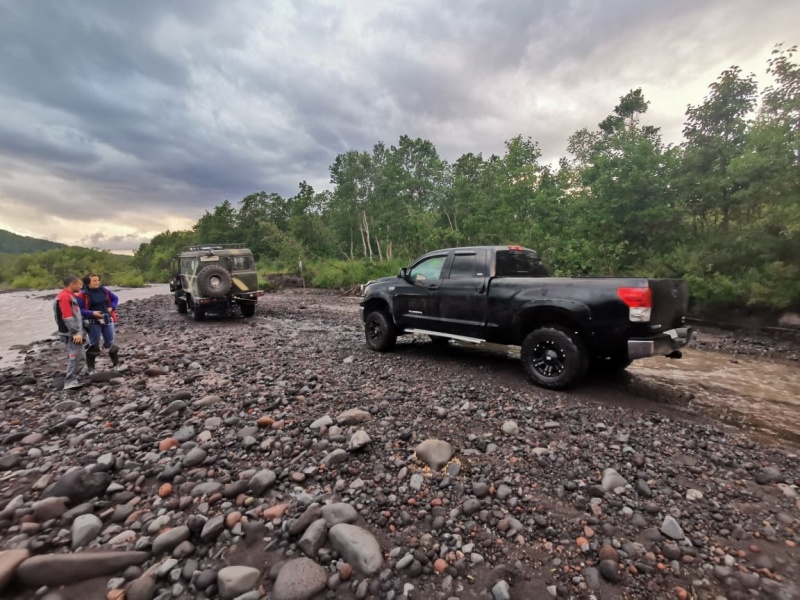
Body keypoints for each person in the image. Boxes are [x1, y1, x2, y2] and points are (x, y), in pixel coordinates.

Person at [77, 273, 120, 372]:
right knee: (94, 344)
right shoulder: (82, 294)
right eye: (94, 281)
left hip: (106, 318)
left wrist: (111, 308)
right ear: (88, 282)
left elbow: (115, 298)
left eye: (98, 280)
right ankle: (91, 369)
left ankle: (116, 365)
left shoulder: (104, 290)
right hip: (92, 321)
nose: (97, 282)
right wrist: (92, 313)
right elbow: (79, 310)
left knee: (110, 342)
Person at [54, 275, 87, 390]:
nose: (80, 286)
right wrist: (75, 333)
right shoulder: (65, 297)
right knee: (77, 356)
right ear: (72, 284)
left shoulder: (68, 296)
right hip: (70, 333)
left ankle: (73, 378)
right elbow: (67, 317)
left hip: (71, 332)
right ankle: (70, 381)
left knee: (75, 356)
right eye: (79, 284)